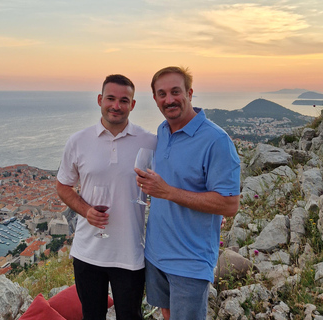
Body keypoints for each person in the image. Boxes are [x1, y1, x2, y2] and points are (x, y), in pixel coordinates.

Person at [135, 66, 240, 320]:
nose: (169, 100)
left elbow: (229, 205)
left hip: (190, 261)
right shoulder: (162, 131)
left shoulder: (216, 140)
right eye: (162, 94)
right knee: (167, 314)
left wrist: (168, 192)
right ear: (155, 99)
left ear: (189, 93)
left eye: (175, 92)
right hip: (156, 253)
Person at [57, 74, 157, 320]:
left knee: (130, 316)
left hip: (130, 252)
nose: (116, 106)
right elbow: (63, 186)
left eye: (124, 100)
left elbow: (165, 185)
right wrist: (85, 210)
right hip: (87, 251)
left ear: (132, 105)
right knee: (92, 316)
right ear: (100, 100)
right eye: (110, 98)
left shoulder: (149, 141)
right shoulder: (78, 141)